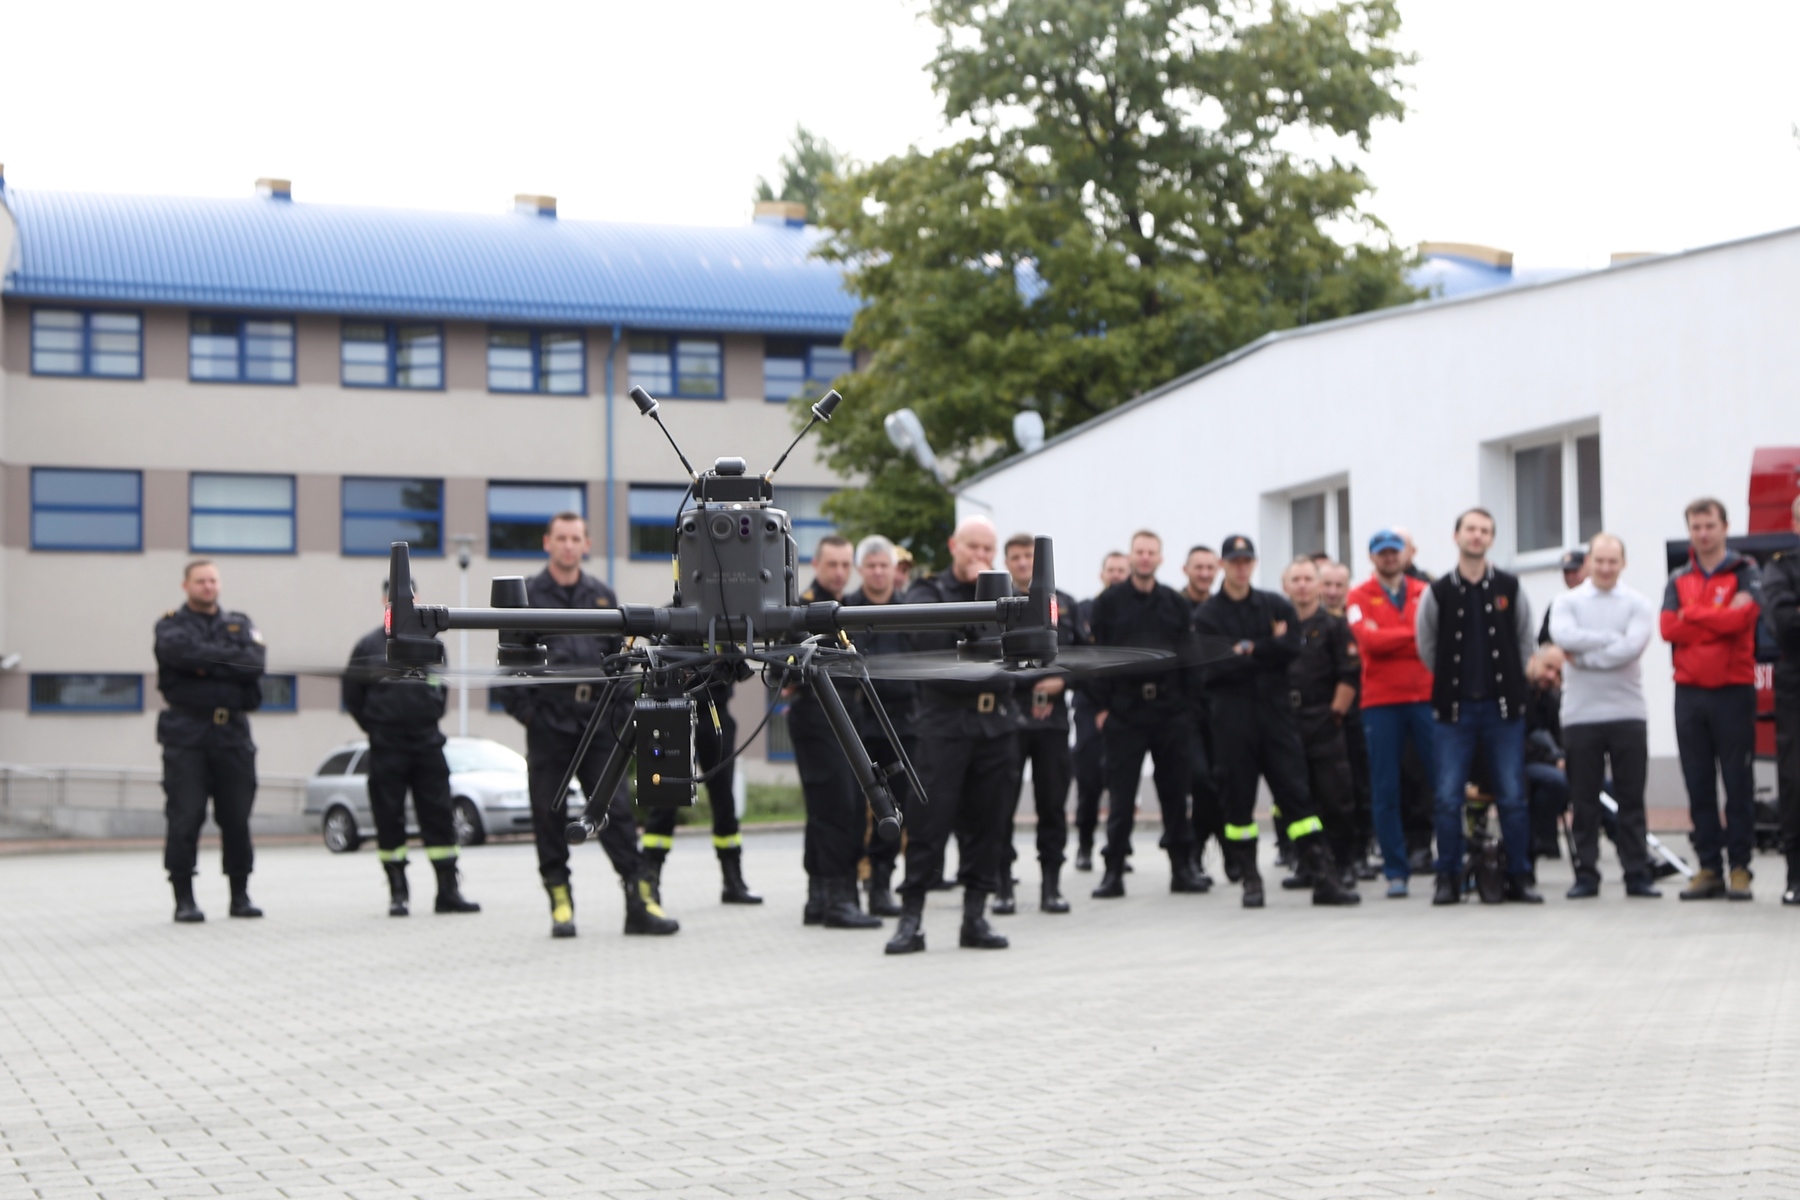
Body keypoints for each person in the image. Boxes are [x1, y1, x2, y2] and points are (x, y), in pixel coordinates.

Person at [500, 511, 677, 939]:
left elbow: (620, 661)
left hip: (599, 725)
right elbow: (508, 670)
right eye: (560, 538)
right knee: (549, 812)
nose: (567, 545)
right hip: (549, 725)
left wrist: (618, 716)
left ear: (586, 544)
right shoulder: (528, 596)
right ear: (547, 543)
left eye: (574, 538)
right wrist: (530, 715)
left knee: (615, 811)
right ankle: (561, 903)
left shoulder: (601, 595)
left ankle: (640, 902)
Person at [1191, 536, 1358, 907]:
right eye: (1233, 561)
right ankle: (1251, 880)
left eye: (1246, 560)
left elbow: (1292, 648)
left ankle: (1322, 877)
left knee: (1298, 799)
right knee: (1238, 805)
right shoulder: (1207, 615)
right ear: (1223, 565)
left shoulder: (1273, 604)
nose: (1240, 567)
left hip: (1277, 718)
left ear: (1253, 563)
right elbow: (1212, 666)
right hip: (1233, 722)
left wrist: (1246, 649)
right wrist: (1265, 648)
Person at [885, 515, 1016, 954]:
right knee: (928, 824)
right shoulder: (929, 592)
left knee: (989, 825)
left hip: (995, 724)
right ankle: (911, 920)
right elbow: (930, 642)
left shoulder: (1008, 595)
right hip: (944, 726)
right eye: (973, 547)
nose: (981, 557)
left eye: (987, 549)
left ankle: (975, 918)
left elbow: (1019, 649)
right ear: (952, 546)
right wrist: (982, 627)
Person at [1416, 508, 1542, 906]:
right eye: (1470, 529)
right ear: (1457, 536)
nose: (1477, 536)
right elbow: (1427, 648)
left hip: (1503, 711)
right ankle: (1447, 878)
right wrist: (1452, 685)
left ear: (1491, 538)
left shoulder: (1509, 586)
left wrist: (1511, 679)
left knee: (1512, 797)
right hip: (1454, 713)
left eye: (1484, 530)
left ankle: (1519, 877)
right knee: (1448, 798)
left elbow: (1526, 641)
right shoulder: (1437, 592)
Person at [343, 582, 480, 917]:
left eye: (410, 597)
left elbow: (440, 690)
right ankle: (398, 893)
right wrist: (376, 726)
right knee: (388, 816)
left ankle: (448, 891)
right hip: (386, 744)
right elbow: (352, 695)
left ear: (417, 600)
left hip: (426, 741)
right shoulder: (368, 645)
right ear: (383, 601)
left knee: (439, 814)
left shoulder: (431, 643)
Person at [1087, 530, 1207, 899]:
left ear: (1160, 558)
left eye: (1150, 552)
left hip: (1170, 711)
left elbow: (1190, 658)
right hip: (1124, 711)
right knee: (1121, 797)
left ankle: (1181, 868)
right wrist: (1102, 707)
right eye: (1139, 551)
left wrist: (1188, 708)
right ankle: (1113, 871)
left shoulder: (1175, 602)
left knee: (1175, 793)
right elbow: (1096, 659)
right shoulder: (1107, 603)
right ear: (1131, 554)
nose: (1144, 558)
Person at [1661, 498, 1764, 901]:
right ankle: (1708, 867)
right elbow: (1668, 627)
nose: (1702, 534)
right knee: (1698, 783)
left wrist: (1694, 616)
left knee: (1738, 783)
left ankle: (1740, 868)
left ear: (1725, 527)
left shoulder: (1745, 571)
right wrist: (1714, 620)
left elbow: (1744, 619)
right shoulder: (1678, 578)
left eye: (1709, 526)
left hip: (1733, 692)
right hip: (1689, 694)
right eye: (1695, 527)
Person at [1547, 532, 1660, 898]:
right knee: (1583, 801)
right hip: (1580, 716)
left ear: (1623, 563)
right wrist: (1610, 639)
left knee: (1631, 800)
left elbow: (1632, 647)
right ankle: (1586, 875)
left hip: (1628, 712)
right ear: (1589, 563)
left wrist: (1585, 656)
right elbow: (1561, 635)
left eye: (1613, 561)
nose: (1606, 568)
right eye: (1599, 561)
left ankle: (1636, 874)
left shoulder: (1638, 603)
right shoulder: (1567, 601)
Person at [155, 560, 267, 923]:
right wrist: (228, 661)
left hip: (233, 734)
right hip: (188, 733)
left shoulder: (239, 622)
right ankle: (184, 899)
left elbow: (255, 662)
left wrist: (205, 662)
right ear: (185, 585)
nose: (208, 586)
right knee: (185, 818)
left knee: (236, 818)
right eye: (200, 581)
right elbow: (179, 655)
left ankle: (240, 895)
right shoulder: (170, 625)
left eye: (213, 580)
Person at [790, 534, 880, 930]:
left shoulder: (850, 607)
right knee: (836, 809)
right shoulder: (801, 609)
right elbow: (783, 672)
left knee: (830, 810)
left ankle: (819, 897)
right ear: (816, 563)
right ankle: (839, 898)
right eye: (833, 565)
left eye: (846, 565)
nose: (840, 573)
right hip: (817, 716)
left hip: (848, 716)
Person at [998, 532, 1085, 914]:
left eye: (1028, 557)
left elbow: (1082, 656)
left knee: (1052, 805)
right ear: (1007, 561)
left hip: (1052, 722)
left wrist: (1062, 679)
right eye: (1015, 557)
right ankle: (1002, 885)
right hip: (1012, 718)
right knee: (1000, 805)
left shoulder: (1062, 604)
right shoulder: (997, 605)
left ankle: (1051, 885)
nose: (1022, 564)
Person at [1346, 531, 1436, 898]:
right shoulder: (1357, 596)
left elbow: (1433, 636)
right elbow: (1367, 642)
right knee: (1385, 787)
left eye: (1394, 552)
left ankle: (1450, 862)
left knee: (1439, 782)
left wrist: (1390, 634)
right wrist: (1412, 636)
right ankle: (1396, 870)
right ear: (1372, 557)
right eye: (1381, 553)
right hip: (1380, 702)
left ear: (1404, 555)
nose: (1388, 558)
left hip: (1426, 697)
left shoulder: (1424, 591)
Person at [639, 677, 761, 907]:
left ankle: (733, 880)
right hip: (671, 712)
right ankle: (649, 880)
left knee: (725, 800)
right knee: (666, 800)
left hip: (715, 710)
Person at [843, 534, 915, 917]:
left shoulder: (908, 613)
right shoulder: (843, 613)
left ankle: (883, 884)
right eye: (870, 565)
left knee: (895, 810)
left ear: (893, 569)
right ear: (861, 570)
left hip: (901, 728)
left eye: (883, 565)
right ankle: (854, 882)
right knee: (856, 809)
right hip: (858, 726)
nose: (876, 572)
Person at [1279, 558, 1362, 888]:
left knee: (1335, 796)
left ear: (1316, 585)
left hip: (1323, 718)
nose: (1301, 585)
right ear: (1285, 586)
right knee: (1298, 798)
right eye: (1294, 579)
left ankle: (1342, 863)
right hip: (1286, 721)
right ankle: (1308, 862)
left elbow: (1349, 673)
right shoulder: (1277, 625)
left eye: (1307, 579)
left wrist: (1335, 714)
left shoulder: (1333, 625)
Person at [1319, 559, 1377, 879]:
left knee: (1360, 786)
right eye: (1326, 585)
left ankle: (1359, 854)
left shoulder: (1357, 622)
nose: (1332, 592)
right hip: (1324, 716)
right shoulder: (1310, 623)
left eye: (1338, 585)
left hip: (1360, 713)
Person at [1072, 551, 1129, 871]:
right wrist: (1099, 707)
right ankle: (1084, 845)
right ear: (1101, 574)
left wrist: (1114, 707)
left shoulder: (1133, 612)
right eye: (1112, 570)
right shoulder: (1084, 610)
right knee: (1089, 778)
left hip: (1122, 707)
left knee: (1121, 779)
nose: (1117, 575)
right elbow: (1080, 660)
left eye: (1123, 570)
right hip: (1088, 706)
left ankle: (1120, 845)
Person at [1762, 496, 1800, 905]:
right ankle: (1797, 876)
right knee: (1795, 779)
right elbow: (1786, 626)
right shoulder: (1781, 567)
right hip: (1796, 680)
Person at [1180, 544, 1224, 887]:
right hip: (1186, 712)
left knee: (1221, 783)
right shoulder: (1176, 607)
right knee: (1200, 780)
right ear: (1186, 569)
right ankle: (1195, 851)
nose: (1205, 573)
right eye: (1199, 568)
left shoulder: (1223, 608)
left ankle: (1220, 851)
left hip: (1222, 709)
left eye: (1211, 568)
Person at [1538, 549, 1589, 645]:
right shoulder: (1557, 603)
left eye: (1574, 571)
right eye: (1566, 572)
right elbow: (1544, 642)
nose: (1570, 576)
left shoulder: (1599, 600)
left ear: (1587, 568)